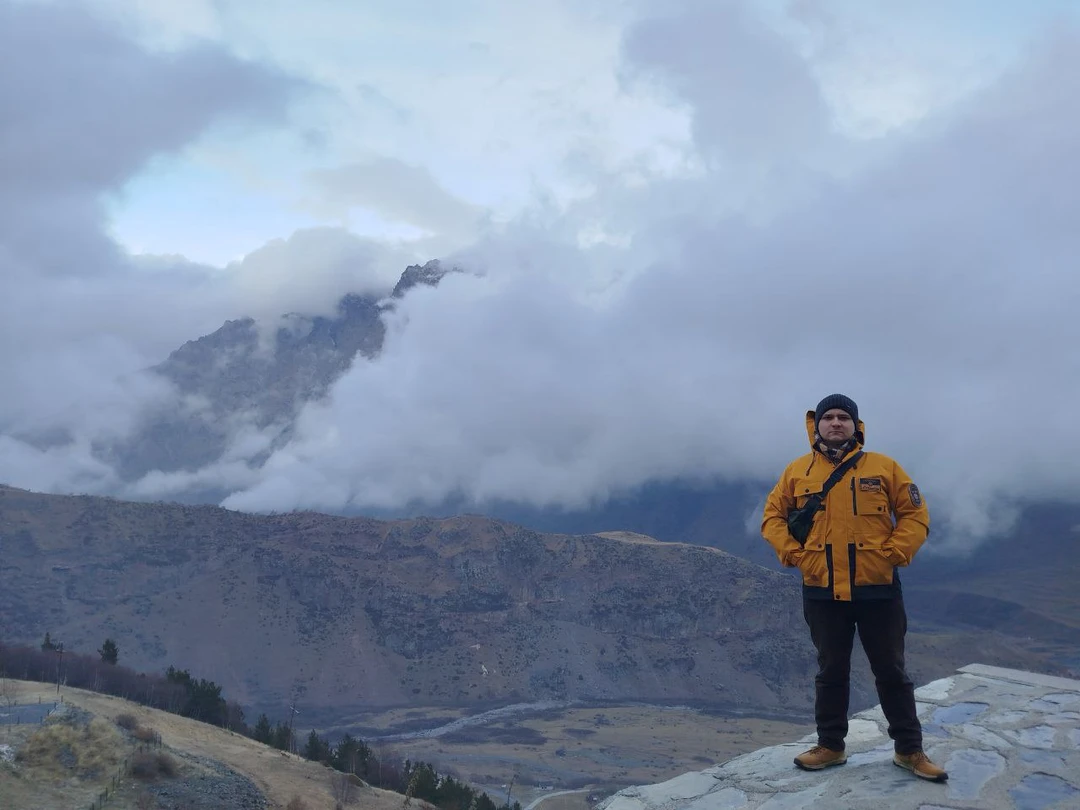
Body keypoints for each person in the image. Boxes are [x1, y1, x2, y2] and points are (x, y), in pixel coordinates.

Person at [761, 394, 947, 782]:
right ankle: (830, 746)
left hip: (878, 589)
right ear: (816, 425)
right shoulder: (797, 471)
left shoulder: (884, 467)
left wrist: (894, 553)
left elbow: (915, 513)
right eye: (828, 417)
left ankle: (909, 751)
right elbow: (772, 518)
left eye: (843, 417)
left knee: (892, 671)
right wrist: (796, 555)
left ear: (855, 425)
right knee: (831, 671)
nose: (835, 423)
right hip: (822, 590)